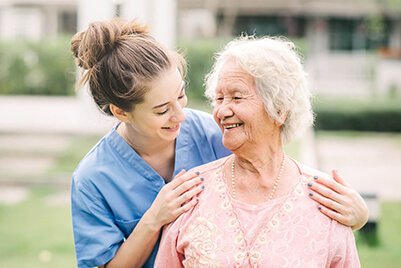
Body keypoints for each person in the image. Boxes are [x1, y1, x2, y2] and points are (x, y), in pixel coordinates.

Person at [70, 19, 366, 268]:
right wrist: (154, 219)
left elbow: (271, 163)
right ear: (120, 112)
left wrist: (356, 214)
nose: (179, 115)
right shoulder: (93, 179)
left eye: (181, 96)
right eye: (162, 110)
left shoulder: (211, 132)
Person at [155, 36, 360, 267]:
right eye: (219, 98)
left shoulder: (326, 199)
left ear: (280, 109)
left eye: (236, 97)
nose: (222, 111)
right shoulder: (190, 193)